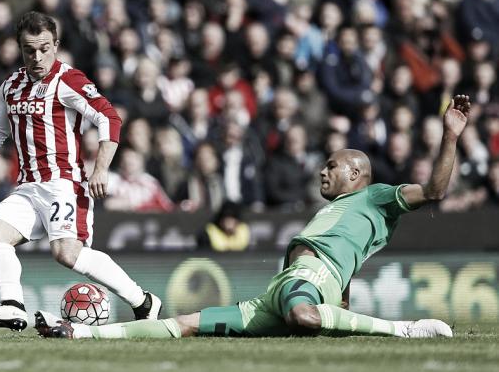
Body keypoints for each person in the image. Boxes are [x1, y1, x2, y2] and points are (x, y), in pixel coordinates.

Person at [35, 95, 471, 340]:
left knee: (304, 317)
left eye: (332, 166)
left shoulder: (376, 197)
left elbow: (434, 191)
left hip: (308, 281)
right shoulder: (339, 213)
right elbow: (348, 266)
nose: (323, 170)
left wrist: (449, 135)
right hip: (280, 291)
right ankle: (81, 335)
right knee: (186, 323)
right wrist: (340, 306)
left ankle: (406, 330)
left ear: (356, 173)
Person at [0, 12, 161, 332]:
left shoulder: (68, 80)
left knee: (67, 253)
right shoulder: (11, 86)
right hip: (28, 187)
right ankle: (12, 306)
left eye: (45, 48)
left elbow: (109, 118)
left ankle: (142, 301)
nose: (37, 57)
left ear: (56, 46)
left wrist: (101, 168)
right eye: (29, 50)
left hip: (64, 184)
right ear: (20, 49)